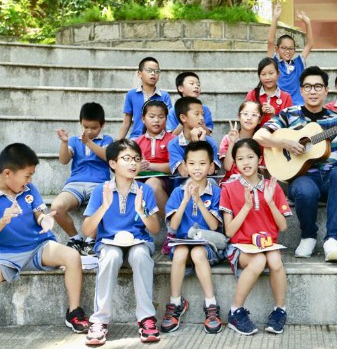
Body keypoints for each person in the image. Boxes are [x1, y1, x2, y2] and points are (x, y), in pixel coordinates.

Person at [0, 143, 88, 337]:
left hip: (38, 246)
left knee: (73, 256)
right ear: (8, 173)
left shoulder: (28, 189)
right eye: (27, 175)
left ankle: (74, 311)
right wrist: (3, 220)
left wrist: (45, 220)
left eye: (32, 175)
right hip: (6, 254)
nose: (30, 180)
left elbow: (38, 213)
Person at [254, 66, 337, 261]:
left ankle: (333, 240)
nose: (313, 91)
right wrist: (284, 142)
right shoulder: (288, 114)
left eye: (318, 86)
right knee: (304, 189)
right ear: (300, 90)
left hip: (330, 177)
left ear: (326, 90)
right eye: (307, 86)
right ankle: (308, 235)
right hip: (301, 176)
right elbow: (260, 135)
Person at [82, 139, 161, 345]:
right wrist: (104, 206)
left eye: (136, 159)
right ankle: (99, 320)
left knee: (141, 255)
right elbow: (87, 230)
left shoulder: (145, 190)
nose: (132, 163)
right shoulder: (102, 190)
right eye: (126, 158)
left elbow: (154, 230)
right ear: (113, 163)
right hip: (109, 242)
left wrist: (141, 212)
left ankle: (146, 318)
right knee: (110, 256)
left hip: (139, 241)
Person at [220, 139, 291, 335]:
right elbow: (229, 232)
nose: (246, 162)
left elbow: (283, 226)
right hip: (241, 246)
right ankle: (235, 311)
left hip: (268, 243)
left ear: (259, 159)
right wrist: (246, 207)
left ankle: (279, 310)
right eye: (240, 158)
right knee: (259, 261)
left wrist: (269, 201)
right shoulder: (228, 188)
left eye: (250, 157)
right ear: (234, 162)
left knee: (275, 260)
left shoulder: (272, 186)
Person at [162, 141, 224, 334]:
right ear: (185, 166)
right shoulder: (177, 192)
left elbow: (214, 225)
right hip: (182, 243)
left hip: (207, 246)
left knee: (197, 252)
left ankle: (211, 305)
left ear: (211, 166)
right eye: (192, 163)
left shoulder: (216, 192)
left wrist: (198, 200)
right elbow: (173, 226)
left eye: (202, 163)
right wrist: (186, 200)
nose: (197, 168)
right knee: (180, 252)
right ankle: (175, 303)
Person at [52, 102, 113, 255]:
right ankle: (75, 238)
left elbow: (107, 156)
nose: (89, 131)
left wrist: (89, 143)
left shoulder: (107, 140)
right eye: (86, 127)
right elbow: (64, 160)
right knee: (56, 207)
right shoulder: (74, 140)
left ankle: (90, 240)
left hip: (99, 184)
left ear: (102, 125)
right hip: (75, 184)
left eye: (94, 128)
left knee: (101, 207)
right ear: (81, 123)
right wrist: (65, 142)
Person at [134, 100, 175, 219]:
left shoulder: (173, 140)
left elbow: (175, 166)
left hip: (166, 182)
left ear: (166, 119)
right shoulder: (136, 142)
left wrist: (149, 166)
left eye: (161, 117)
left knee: (152, 184)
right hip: (139, 181)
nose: (156, 120)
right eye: (151, 116)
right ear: (143, 119)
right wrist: (137, 167)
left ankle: (172, 225)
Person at [267, 3, 314, 105]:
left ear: (294, 50)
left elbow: (309, 44)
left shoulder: (299, 63)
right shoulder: (274, 63)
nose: (287, 51)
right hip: (279, 105)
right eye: (283, 48)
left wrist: (308, 22)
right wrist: (275, 18)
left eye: (290, 48)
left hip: (298, 106)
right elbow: (270, 41)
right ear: (277, 49)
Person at [118, 57, 173, 139]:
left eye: (156, 71)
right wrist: (118, 141)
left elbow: (168, 120)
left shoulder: (164, 96)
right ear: (139, 73)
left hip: (159, 137)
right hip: (136, 137)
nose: (153, 73)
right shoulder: (132, 94)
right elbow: (127, 121)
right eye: (149, 70)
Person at [167, 97, 221, 178]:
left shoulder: (210, 142)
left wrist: (201, 143)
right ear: (183, 118)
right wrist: (195, 144)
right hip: (183, 186)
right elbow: (184, 172)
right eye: (196, 114)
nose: (201, 118)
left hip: (206, 184)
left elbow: (210, 171)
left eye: (202, 114)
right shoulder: (174, 144)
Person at [220, 101, 264, 184]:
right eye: (245, 114)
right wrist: (232, 142)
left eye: (254, 115)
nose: (249, 118)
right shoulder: (228, 139)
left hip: (252, 183)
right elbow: (227, 167)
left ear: (259, 120)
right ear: (239, 116)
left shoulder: (261, 141)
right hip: (231, 182)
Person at [245, 57, 293, 126]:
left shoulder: (286, 97)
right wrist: (259, 114)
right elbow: (246, 118)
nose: (267, 77)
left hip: (278, 136)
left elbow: (290, 123)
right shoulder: (252, 94)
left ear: (278, 74)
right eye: (263, 74)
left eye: (271, 73)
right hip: (256, 135)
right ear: (259, 76)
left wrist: (275, 114)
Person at [166, 72, 214, 136]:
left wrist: (200, 120)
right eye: (192, 83)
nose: (196, 86)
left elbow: (208, 135)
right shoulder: (173, 110)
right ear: (180, 88)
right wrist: (185, 120)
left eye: (198, 85)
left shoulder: (205, 109)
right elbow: (172, 136)